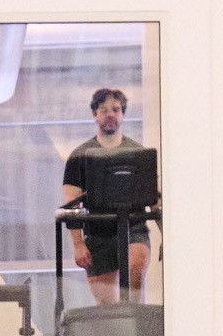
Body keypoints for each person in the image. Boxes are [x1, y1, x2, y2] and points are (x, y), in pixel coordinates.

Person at [61, 87, 154, 302]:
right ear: (95, 115)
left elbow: (154, 197)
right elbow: (71, 204)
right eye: (104, 110)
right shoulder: (79, 157)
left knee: (135, 270)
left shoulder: (138, 154)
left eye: (116, 109)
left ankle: (134, 325)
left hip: (133, 229)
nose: (110, 114)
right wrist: (78, 244)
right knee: (107, 309)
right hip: (98, 234)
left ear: (122, 114)